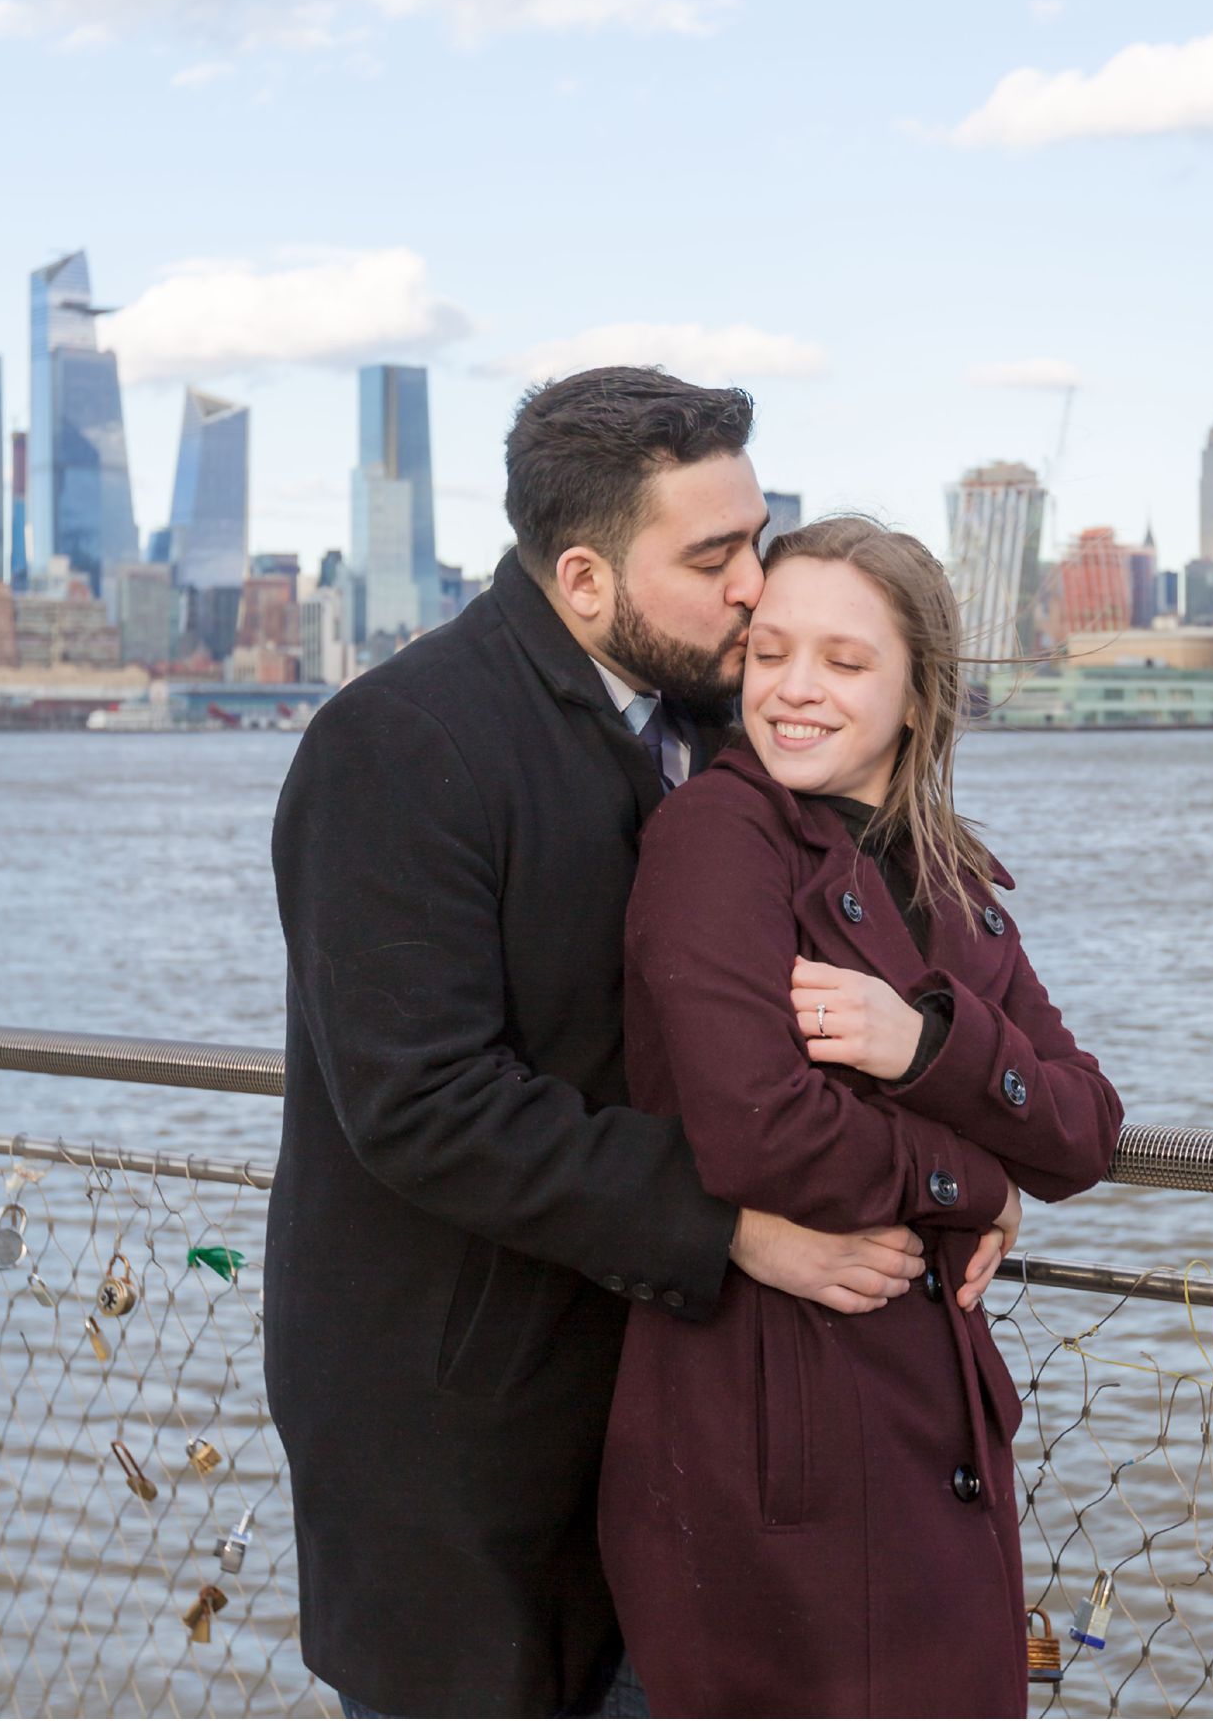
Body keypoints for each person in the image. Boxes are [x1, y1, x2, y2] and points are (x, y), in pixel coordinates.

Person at [269, 369, 967, 1717]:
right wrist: (734, 1228)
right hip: (464, 1430)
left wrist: (956, 1167)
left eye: (758, 536)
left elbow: (894, 966)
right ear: (585, 579)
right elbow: (424, 1103)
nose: (758, 585)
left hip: (684, 1408)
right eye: (715, 556)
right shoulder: (397, 746)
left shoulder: (734, 734)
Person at [600, 513, 1124, 1715]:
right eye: (769, 651)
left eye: (842, 662)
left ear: (917, 688)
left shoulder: (946, 868)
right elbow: (756, 1130)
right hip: (772, 1423)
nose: (792, 691)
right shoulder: (718, 837)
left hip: (928, 1418)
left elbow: (1086, 1125)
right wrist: (977, 1183)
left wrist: (923, 1041)